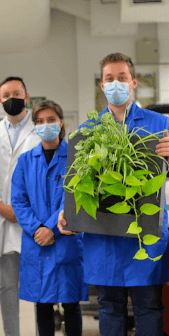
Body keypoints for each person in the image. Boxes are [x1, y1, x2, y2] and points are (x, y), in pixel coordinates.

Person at [59, 52, 169, 336]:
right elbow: (77, 181)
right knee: (109, 307)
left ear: (133, 83)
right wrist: (67, 212)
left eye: (122, 78)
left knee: (149, 306)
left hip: (146, 232)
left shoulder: (160, 125)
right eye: (110, 79)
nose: (115, 84)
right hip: (103, 235)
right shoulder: (88, 131)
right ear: (102, 85)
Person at [11, 100, 88, 336]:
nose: (46, 125)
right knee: (42, 304)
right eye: (40, 121)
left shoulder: (76, 157)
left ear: (61, 122)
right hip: (37, 243)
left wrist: (50, 228)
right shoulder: (25, 161)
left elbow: (75, 197)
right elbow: (19, 201)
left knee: (71, 304)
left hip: (66, 240)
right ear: (35, 126)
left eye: (51, 120)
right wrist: (37, 229)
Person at [0, 76, 41, 336]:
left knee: (39, 286)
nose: (11, 98)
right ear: (0, 100)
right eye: (6, 95)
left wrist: (26, 213)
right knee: (7, 287)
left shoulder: (40, 130)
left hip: (34, 222)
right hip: (3, 220)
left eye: (16, 93)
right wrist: (0, 205)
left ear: (27, 97)